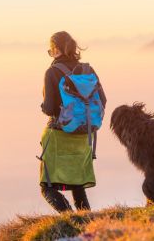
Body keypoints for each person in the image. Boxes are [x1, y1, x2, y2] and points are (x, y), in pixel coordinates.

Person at [39, 31, 106, 213]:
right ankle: (86, 221)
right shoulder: (88, 70)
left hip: (59, 136)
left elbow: (50, 108)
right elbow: (103, 101)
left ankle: (70, 218)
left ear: (57, 50)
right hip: (84, 135)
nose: (51, 54)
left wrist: (43, 106)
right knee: (78, 185)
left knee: (47, 186)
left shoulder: (52, 72)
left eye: (51, 50)